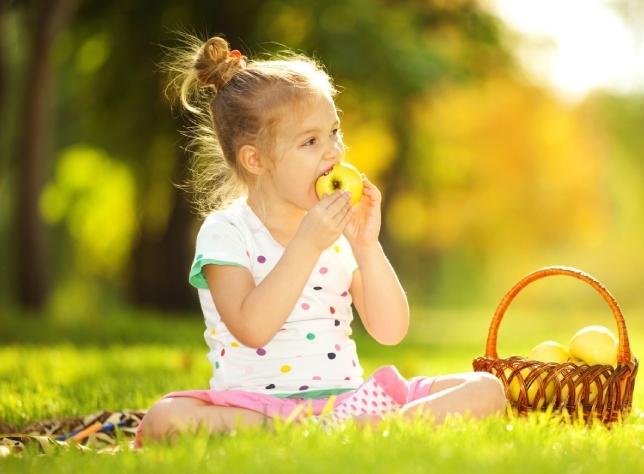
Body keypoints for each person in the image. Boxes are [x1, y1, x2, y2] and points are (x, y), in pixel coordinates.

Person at [139, 36, 505, 445]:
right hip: (256, 408)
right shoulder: (226, 232)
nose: (333, 150)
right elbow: (252, 328)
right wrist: (307, 244)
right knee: (164, 419)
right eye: (310, 141)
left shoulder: (339, 232)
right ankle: (322, 433)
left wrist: (367, 245)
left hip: (349, 403)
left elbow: (390, 331)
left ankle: (362, 429)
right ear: (255, 160)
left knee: (486, 388)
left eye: (334, 131)